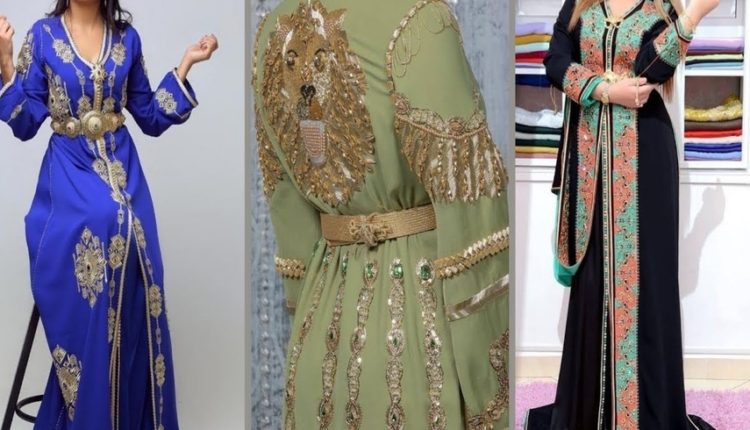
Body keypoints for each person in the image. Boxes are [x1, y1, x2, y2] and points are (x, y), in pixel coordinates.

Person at [253, 0, 510, 428]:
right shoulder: (421, 20)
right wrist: (490, 390)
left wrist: (308, 319)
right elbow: (473, 223)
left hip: (319, 336)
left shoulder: (271, 33)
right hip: (418, 329)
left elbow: (288, 214)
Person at [0, 0, 217, 427]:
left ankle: (126, 409)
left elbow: (150, 116)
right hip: (68, 176)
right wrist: (6, 64)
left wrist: (186, 64)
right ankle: (90, 402)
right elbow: (25, 124)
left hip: (124, 168)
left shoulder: (126, 39)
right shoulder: (43, 36)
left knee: (134, 234)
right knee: (105, 220)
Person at [526, 0, 720, 428]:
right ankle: (591, 413)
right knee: (594, 276)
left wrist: (694, 15)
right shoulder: (580, 4)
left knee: (646, 279)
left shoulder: (659, 7)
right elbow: (555, 61)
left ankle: (643, 415)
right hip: (590, 162)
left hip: (646, 157)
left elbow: (653, 68)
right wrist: (604, 90)